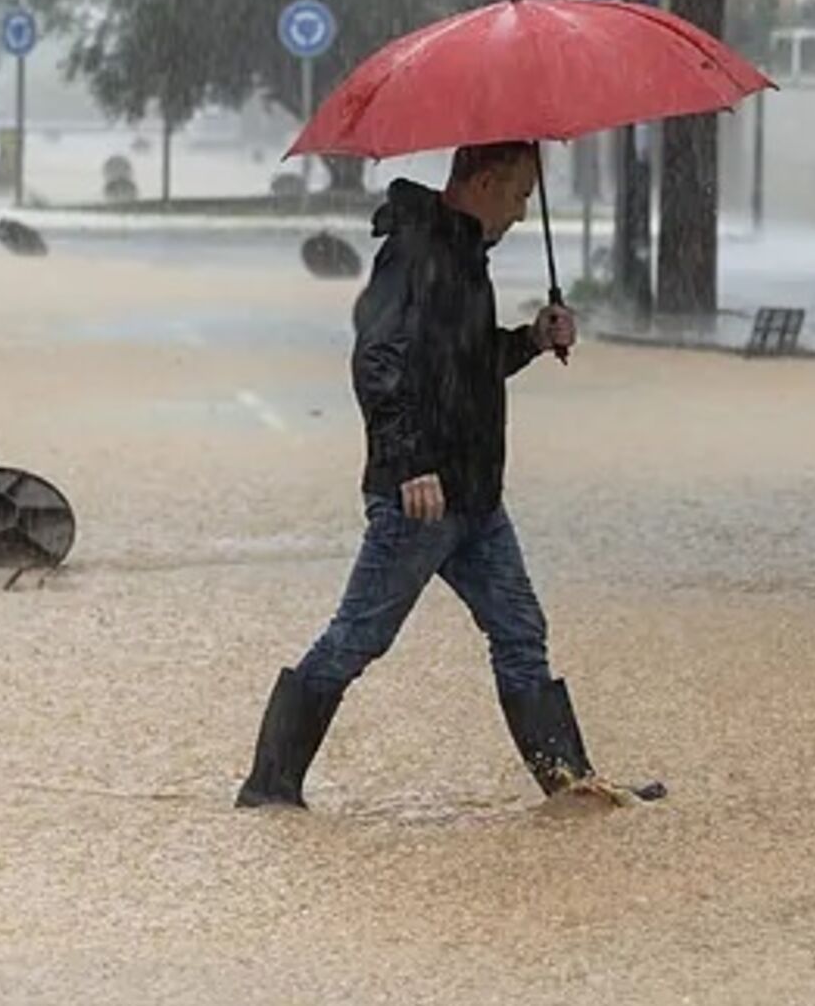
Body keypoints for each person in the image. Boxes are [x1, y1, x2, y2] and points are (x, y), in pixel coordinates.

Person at [236, 141, 662, 809]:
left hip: (475, 497)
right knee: (358, 637)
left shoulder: (464, 255)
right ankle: (269, 788)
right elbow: (376, 363)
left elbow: (464, 366)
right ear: (484, 182)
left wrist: (530, 340)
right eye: (519, 194)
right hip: (422, 499)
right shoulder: (414, 254)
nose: (522, 213)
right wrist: (411, 464)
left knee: (520, 631)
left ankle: (571, 787)